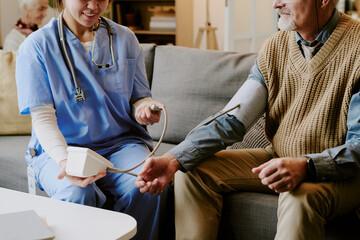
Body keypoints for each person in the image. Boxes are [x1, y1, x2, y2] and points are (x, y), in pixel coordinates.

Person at [135, 0, 360, 239]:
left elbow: (357, 149)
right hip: (278, 157)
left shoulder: (356, 47)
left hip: (342, 175)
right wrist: (174, 158)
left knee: (299, 196)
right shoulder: (276, 46)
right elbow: (232, 119)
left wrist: (306, 166)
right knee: (191, 169)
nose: (276, 4)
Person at [15, 0, 166, 239]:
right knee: (77, 193)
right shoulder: (36, 46)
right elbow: (42, 119)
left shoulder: (125, 39)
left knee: (146, 183)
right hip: (62, 149)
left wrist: (144, 108)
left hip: (120, 144)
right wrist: (65, 162)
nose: (93, 5)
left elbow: (139, 97)